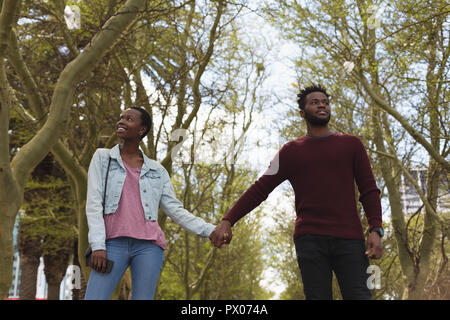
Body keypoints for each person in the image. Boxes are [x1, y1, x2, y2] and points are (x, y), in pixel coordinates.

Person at [210, 85, 383, 300]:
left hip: (350, 239)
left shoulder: (352, 145)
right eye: (314, 102)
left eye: (325, 102)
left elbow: (369, 190)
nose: (322, 104)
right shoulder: (290, 152)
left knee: (360, 296)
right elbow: (260, 188)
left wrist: (376, 228)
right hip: (310, 241)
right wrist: (228, 220)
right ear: (302, 113)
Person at [84, 107, 216, 300]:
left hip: (149, 247)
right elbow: (94, 203)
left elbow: (175, 210)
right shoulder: (103, 158)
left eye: (128, 119)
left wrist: (209, 230)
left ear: (141, 129)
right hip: (111, 244)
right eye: (120, 118)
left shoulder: (158, 171)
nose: (121, 121)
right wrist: (97, 245)